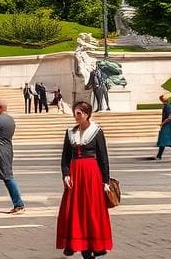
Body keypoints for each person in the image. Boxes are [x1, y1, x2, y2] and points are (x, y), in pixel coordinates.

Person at [56, 101, 112, 258]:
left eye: (79, 113)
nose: (76, 116)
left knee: (91, 210)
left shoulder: (96, 132)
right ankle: (74, 243)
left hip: (91, 174)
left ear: (87, 115)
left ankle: (95, 245)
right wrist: (66, 174)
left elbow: (103, 157)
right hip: (75, 174)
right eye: (75, 113)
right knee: (73, 210)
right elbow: (65, 157)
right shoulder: (70, 132)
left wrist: (105, 181)